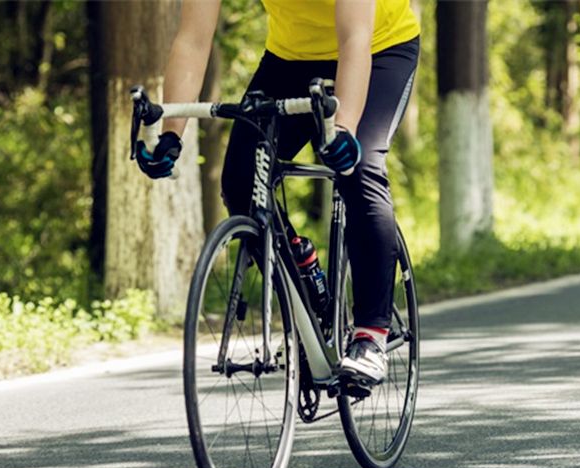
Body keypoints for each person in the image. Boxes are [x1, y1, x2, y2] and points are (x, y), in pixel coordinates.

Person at [136, 0, 420, 385]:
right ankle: (302, 276)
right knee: (240, 183)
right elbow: (193, 40)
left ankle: (370, 334)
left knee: (360, 167)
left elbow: (355, 37)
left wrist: (346, 128)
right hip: (290, 59)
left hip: (378, 48)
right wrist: (171, 133)